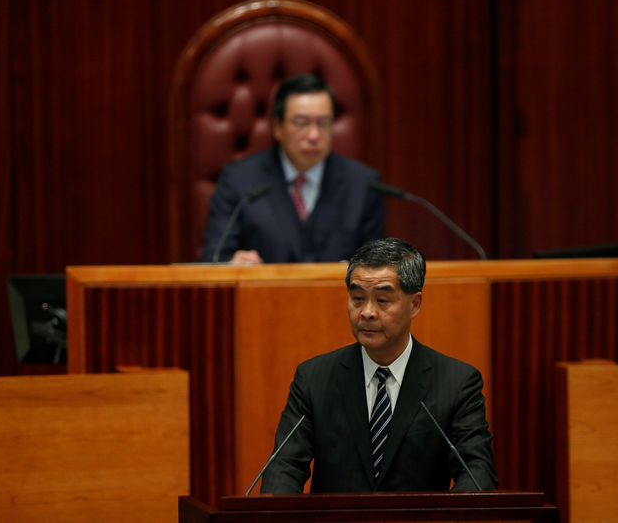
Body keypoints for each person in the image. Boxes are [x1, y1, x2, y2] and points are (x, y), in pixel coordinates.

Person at [260, 238, 498, 493]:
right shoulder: (314, 379)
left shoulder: (456, 382)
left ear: (415, 304)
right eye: (358, 298)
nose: (367, 312)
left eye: (382, 301)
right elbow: (283, 468)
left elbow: (477, 471)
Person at [199, 74, 385, 264]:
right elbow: (212, 260)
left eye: (323, 123)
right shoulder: (239, 181)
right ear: (277, 127)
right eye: (301, 123)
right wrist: (231, 264)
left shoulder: (362, 184)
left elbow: (378, 268)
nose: (313, 135)